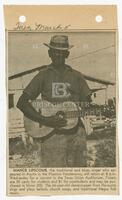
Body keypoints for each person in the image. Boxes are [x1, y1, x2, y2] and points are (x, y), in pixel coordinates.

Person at [17, 35, 91, 167]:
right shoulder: (43, 75)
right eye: (55, 52)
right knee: (54, 174)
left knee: (79, 176)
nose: (58, 55)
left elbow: (87, 102)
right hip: (51, 135)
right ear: (49, 53)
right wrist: (45, 120)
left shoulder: (77, 76)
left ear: (67, 54)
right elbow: (21, 103)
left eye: (62, 52)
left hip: (76, 134)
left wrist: (86, 108)